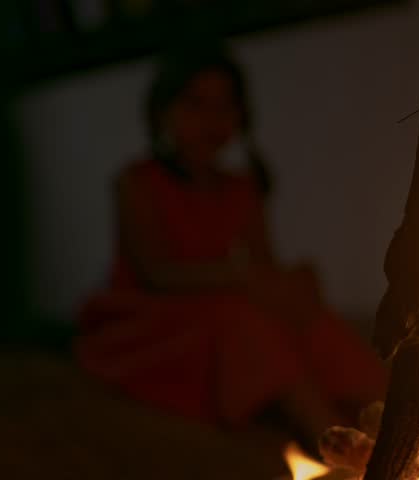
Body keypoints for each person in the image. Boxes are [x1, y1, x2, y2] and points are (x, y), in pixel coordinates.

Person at [75, 44, 386, 439]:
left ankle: (385, 409)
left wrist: (292, 281)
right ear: (163, 111)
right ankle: (329, 433)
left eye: (224, 107)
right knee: (241, 319)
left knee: (306, 314)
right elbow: (156, 275)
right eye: (195, 105)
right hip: (152, 320)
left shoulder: (241, 189)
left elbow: (263, 266)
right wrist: (242, 279)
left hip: (223, 299)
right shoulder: (136, 183)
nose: (211, 121)